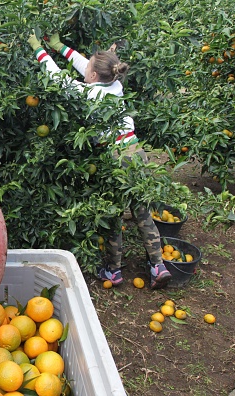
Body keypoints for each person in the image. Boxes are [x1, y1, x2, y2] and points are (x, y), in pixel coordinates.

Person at [27, 32, 171, 289]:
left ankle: (113, 271)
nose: (85, 69)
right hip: (136, 152)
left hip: (113, 159)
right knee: (141, 211)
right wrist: (60, 46)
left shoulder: (87, 94)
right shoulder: (115, 84)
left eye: (89, 68)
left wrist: (39, 49)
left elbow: (57, 77)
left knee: (113, 215)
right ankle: (158, 265)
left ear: (94, 76)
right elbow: (87, 65)